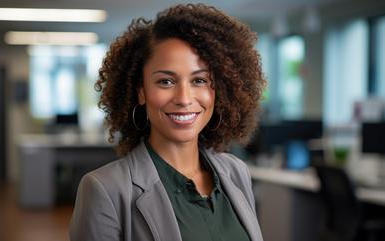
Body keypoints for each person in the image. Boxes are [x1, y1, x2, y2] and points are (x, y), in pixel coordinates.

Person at [70, 3, 266, 241]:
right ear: (141, 91)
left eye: (200, 81)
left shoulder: (237, 172)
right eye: (165, 81)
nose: (184, 99)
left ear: (219, 89)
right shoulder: (105, 189)